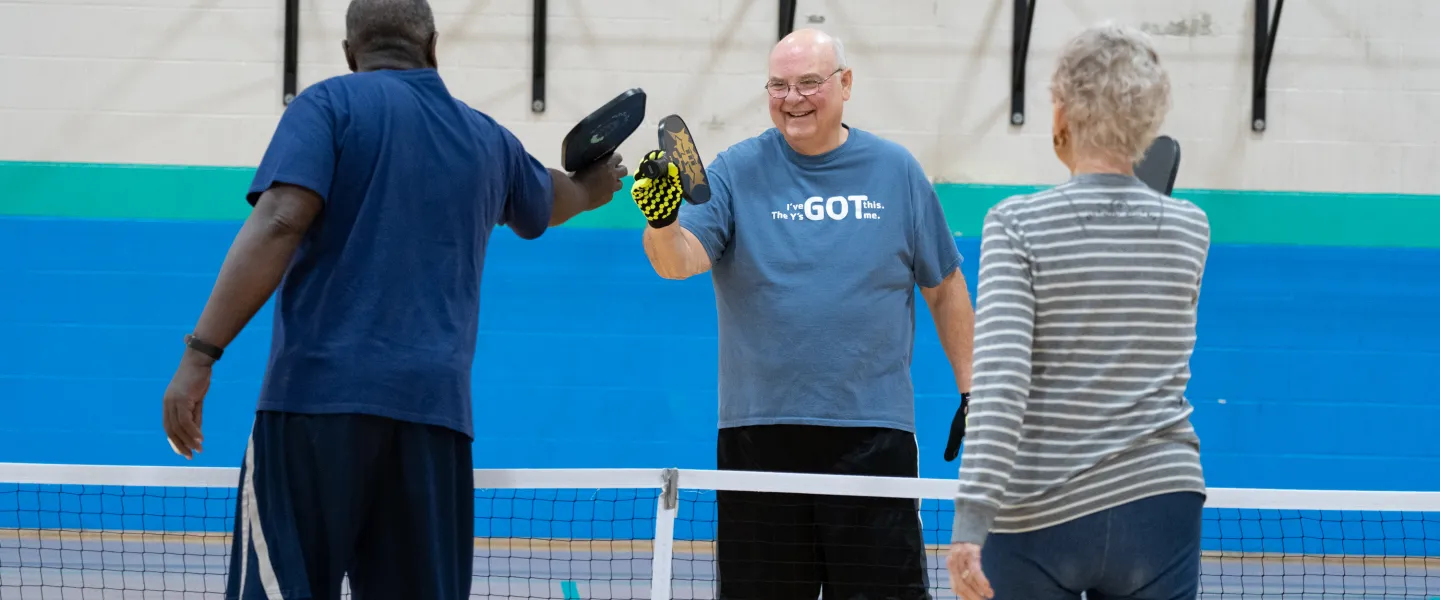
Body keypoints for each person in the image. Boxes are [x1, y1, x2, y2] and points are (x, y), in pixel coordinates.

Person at [157, 0, 626, 598]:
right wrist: (595, 186)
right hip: (434, 418)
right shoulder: (486, 139)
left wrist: (200, 355)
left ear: (352, 54)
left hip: (316, 407)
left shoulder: (328, 106)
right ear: (432, 46)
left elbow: (279, 221)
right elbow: (553, 201)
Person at [629, 28, 975, 600]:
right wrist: (662, 222)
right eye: (779, 85)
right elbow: (678, 262)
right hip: (758, 436)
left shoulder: (897, 171)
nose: (793, 98)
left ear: (844, 83)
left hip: (872, 436)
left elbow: (945, 285)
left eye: (809, 82)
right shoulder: (734, 171)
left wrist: (973, 391)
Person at [945, 22, 1210, 600]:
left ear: (1062, 111)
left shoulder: (1017, 224)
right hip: (1161, 502)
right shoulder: (1191, 228)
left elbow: (1002, 382)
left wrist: (971, 519)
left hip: (1043, 508)